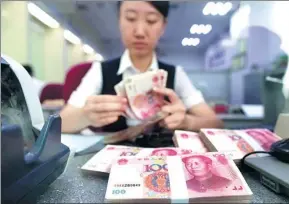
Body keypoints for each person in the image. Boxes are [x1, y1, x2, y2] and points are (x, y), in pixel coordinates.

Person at [60, 1, 224, 134]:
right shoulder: (99, 71)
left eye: (151, 21)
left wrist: (187, 121)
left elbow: (216, 123)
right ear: (119, 21)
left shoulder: (176, 74)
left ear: (163, 26)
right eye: (130, 18)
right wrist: (86, 116)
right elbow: (61, 123)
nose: (139, 32)